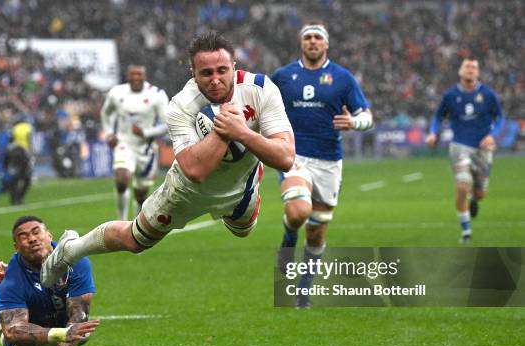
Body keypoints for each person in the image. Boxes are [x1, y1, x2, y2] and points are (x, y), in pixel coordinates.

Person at [40, 31, 295, 287]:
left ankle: (237, 202)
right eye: (206, 73)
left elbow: (285, 158)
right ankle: (70, 250)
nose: (215, 80)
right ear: (193, 73)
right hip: (186, 191)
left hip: (241, 188)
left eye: (222, 70)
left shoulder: (260, 89)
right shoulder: (181, 105)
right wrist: (224, 131)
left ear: (234, 67)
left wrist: (241, 133)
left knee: (244, 232)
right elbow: (195, 170)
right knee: (135, 240)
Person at [271, 22, 374, 308]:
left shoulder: (342, 78)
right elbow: (261, 105)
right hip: (294, 156)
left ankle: (304, 290)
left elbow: (366, 115)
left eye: (318, 38)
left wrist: (354, 122)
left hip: (329, 160)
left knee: (316, 232)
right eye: (308, 37)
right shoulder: (283, 76)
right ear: (301, 43)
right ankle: (288, 240)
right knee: (298, 211)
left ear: (326, 44)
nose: (313, 42)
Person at [0, 216, 100, 346]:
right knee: (7, 332)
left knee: (82, 329)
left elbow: (79, 316)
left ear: (50, 236)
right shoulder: (14, 278)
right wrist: (63, 333)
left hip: (56, 323)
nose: (32, 239)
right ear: (16, 247)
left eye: (36, 232)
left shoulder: (74, 259)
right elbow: (12, 330)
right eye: (23, 236)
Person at [425, 58, 504, 244]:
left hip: (483, 148)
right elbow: (438, 116)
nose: (470, 70)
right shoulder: (450, 95)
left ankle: (474, 200)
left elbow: (500, 117)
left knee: (480, 194)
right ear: (460, 71)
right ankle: (466, 232)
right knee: (462, 185)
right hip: (459, 145)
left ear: (478, 72)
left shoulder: (488, 94)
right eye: (467, 66)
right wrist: (433, 133)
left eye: (474, 67)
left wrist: (493, 135)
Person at [101, 64, 170, 220]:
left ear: (144, 76)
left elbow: (167, 124)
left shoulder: (157, 95)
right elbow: (106, 113)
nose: (136, 78)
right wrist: (109, 134)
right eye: (133, 74)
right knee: (121, 179)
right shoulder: (116, 93)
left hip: (145, 148)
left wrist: (145, 132)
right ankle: (122, 221)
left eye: (139, 74)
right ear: (128, 76)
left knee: (141, 193)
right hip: (123, 143)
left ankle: (136, 226)